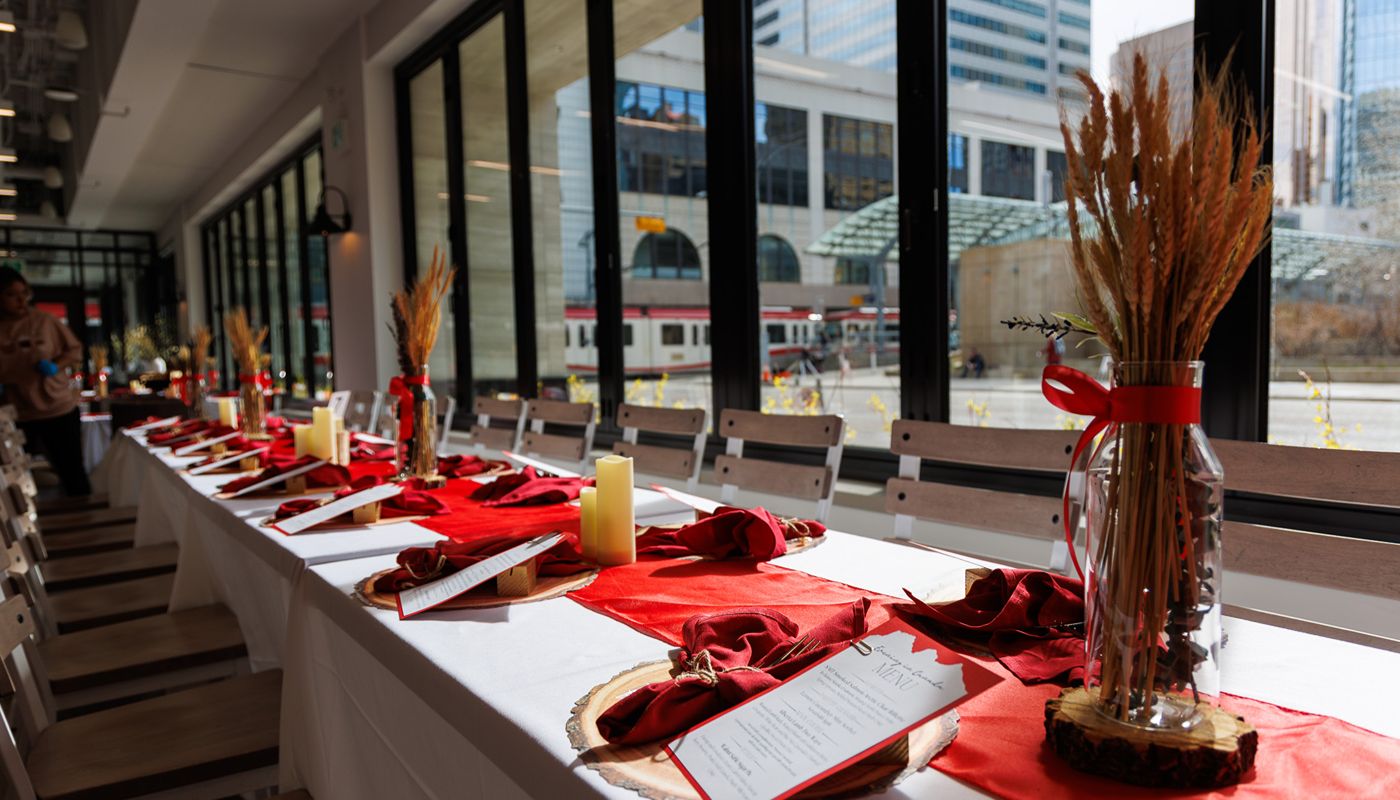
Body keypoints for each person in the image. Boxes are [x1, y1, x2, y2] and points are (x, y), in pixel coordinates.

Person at [0, 267, 91, 496]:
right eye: (12, 294)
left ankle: (82, 519)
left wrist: (56, 365)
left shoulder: (45, 320)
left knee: (72, 473)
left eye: (25, 293)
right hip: (17, 412)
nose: (21, 300)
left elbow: (76, 350)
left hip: (57, 407)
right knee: (13, 479)